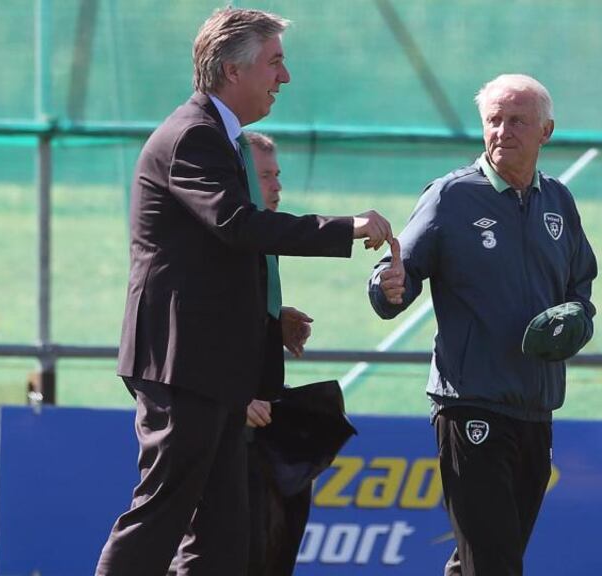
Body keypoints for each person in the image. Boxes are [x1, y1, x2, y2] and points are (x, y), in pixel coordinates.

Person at [98, 8, 393, 576]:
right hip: (182, 365)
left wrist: (268, 322)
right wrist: (345, 227)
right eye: (274, 62)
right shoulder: (193, 136)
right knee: (161, 516)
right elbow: (237, 226)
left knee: (224, 537)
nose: (285, 77)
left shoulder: (219, 138)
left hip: (211, 369)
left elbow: (215, 258)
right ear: (233, 71)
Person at [367, 74, 598, 576]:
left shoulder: (558, 202)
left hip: (536, 408)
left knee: (482, 560)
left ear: (546, 131)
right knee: (493, 564)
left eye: (517, 120)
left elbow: (581, 286)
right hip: (470, 402)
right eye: (494, 120)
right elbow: (399, 275)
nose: (502, 130)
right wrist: (388, 287)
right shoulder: (452, 197)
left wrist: (578, 317)